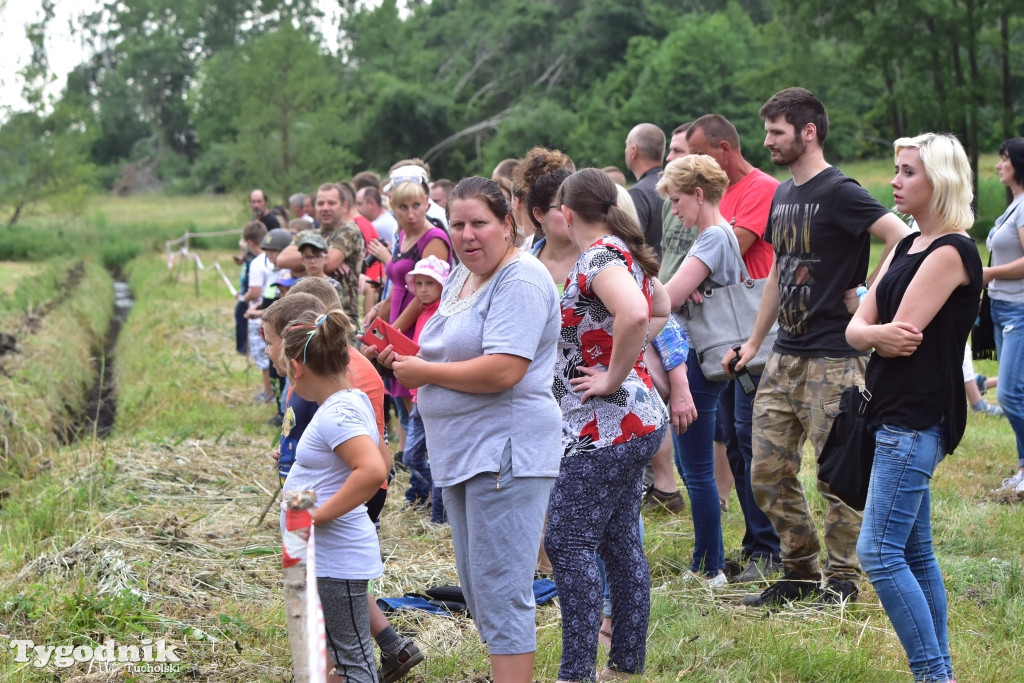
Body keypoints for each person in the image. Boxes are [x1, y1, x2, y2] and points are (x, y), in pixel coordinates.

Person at [725, 87, 912, 607]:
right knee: (765, 471)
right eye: (767, 132)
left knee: (837, 477)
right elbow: (778, 276)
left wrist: (871, 297)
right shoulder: (784, 195)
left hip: (836, 357)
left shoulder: (840, 191)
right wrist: (754, 343)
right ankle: (800, 571)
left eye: (777, 132)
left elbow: (901, 236)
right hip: (784, 356)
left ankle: (844, 581)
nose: (767, 142)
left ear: (808, 132)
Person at [379, 176, 561, 683]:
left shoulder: (520, 279)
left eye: (480, 223)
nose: (467, 234)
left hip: (506, 451)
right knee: (478, 586)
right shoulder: (462, 275)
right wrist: (405, 356)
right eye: (457, 224)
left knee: (502, 588)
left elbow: (505, 369)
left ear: (509, 223)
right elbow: (450, 349)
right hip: (462, 451)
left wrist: (427, 373)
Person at [847, 132, 981, 683]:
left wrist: (871, 330)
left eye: (907, 172)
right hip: (887, 412)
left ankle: (933, 673)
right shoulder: (904, 246)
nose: (895, 181)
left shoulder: (953, 250)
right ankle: (937, 672)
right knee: (914, 553)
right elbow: (859, 329)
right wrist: (873, 331)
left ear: (939, 182)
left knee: (878, 553)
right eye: (898, 170)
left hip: (915, 417)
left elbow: (904, 329)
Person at [544, 168, 669, 683]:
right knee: (619, 544)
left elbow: (638, 312)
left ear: (566, 214)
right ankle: (625, 664)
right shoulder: (623, 249)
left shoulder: (597, 256)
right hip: (633, 424)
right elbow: (661, 305)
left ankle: (577, 672)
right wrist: (625, 365)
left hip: (606, 430)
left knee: (567, 543)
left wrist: (614, 376)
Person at [686, 113, 782, 581]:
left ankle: (770, 546)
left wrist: (692, 275)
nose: (690, 162)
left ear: (723, 150)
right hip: (727, 336)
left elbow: (734, 246)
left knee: (751, 440)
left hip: (753, 332)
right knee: (738, 444)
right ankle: (756, 539)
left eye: (696, 153)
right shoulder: (725, 196)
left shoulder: (762, 188)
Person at [277, 307, 388, 683]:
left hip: (337, 559)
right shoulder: (349, 402)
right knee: (344, 653)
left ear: (298, 367)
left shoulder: (336, 413)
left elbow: (373, 470)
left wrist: (317, 515)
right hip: (325, 556)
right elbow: (382, 456)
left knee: (353, 662)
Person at [658, 155, 746, 585]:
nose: (675, 210)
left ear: (697, 194)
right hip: (706, 359)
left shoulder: (711, 237)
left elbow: (667, 297)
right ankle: (704, 561)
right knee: (693, 468)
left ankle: (710, 568)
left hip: (698, 360)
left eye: (677, 200)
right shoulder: (721, 235)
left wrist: (670, 290)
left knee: (695, 471)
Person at [363, 168, 453, 445]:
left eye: (416, 205)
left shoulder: (434, 238)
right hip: (397, 317)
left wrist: (393, 331)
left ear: (427, 203)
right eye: (403, 207)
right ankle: (408, 456)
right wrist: (378, 311)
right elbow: (397, 284)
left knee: (417, 400)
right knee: (400, 396)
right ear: (393, 208)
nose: (411, 213)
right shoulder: (402, 236)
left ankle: (422, 467)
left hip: (418, 323)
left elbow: (424, 294)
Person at [985, 137, 1024, 492]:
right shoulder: (1014, 205)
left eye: (1005, 159)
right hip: (1002, 307)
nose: (999, 165)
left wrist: (990, 273)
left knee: (1010, 394)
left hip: (1019, 311)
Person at [399, 255, 450, 519]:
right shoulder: (422, 309)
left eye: (429, 283)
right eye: (418, 283)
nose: (422, 289)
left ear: (443, 285)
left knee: (437, 456)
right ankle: (443, 492)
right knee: (411, 457)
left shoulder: (444, 312)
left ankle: (439, 516)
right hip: (418, 395)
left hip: (433, 390)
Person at [624, 123, 666, 259]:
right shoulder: (677, 186)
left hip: (649, 276)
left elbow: (630, 247)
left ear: (633, 152)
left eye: (626, 145)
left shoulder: (638, 194)